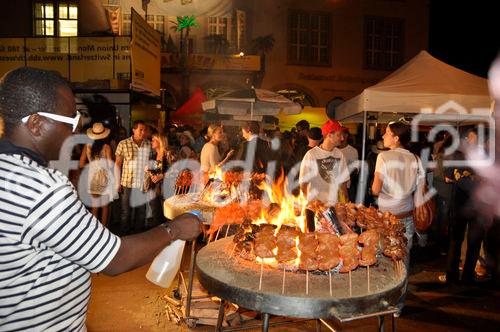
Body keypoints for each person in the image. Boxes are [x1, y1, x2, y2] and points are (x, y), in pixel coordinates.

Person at [0, 67, 202, 330]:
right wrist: (175, 228)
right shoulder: (42, 187)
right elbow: (115, 258)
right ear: (36, 124)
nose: (75, 133)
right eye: (71, 122)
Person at [371, 120, 425, 316]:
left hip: (386, 219)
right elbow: (420, 195)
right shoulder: (417, 159)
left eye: (386, 133)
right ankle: (398, 305)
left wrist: (383, 189)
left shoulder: (384, 157)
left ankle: (382, 300)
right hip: (407, 219)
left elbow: (375, 190)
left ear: (396, 138)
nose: (383, 136)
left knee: (382, 260)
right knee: (402, 262)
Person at [299, 120, 350, 231]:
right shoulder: (311, 155)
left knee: (333, 243)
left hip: (333, 210)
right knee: (313, 242)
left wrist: (346, 207)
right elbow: (303, 184)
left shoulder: (339, 154)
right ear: (329, 135)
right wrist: (307, 204)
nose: (342, 138)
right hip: (314, 209)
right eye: (339, 134)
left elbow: (343, 185)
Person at [115, 120, 152, 234]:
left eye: (144, 130)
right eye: (140, 129)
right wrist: (117, 183)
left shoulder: (148, 144)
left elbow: (149, 163)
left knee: (141, 211)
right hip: (127, 183)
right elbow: (117, 164)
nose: (143, 132)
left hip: (142, 183)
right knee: (126, 211)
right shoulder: (123, 143)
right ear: (133, 130)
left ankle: (138, 236)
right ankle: (124, 236)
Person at [79, 122, 114, 226]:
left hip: (92, 177)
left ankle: (95, 229)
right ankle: (104, 229)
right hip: (104, 177)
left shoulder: (87, 146)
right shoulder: (106, 147)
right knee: (104, 207)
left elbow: (81, 164)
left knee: (94, 206)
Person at [145, 132, 175, 227]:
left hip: (166, 188)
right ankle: (158, 236)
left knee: (166, 214)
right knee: (156, 213)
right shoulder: (153, 155)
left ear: (160, 141)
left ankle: (167, 236)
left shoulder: (168, 154)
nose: (151, 142)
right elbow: (154, 171)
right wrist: (149, 172)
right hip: (154, 188)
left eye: (154, 140)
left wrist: (162, 176)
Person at [339, 127, 359, 202]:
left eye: (341, 134)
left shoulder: (352, 151)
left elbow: (355, 170)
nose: (339, 137)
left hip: (348, 186)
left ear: (346, 135)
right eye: (338, 134)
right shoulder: (334, 150)